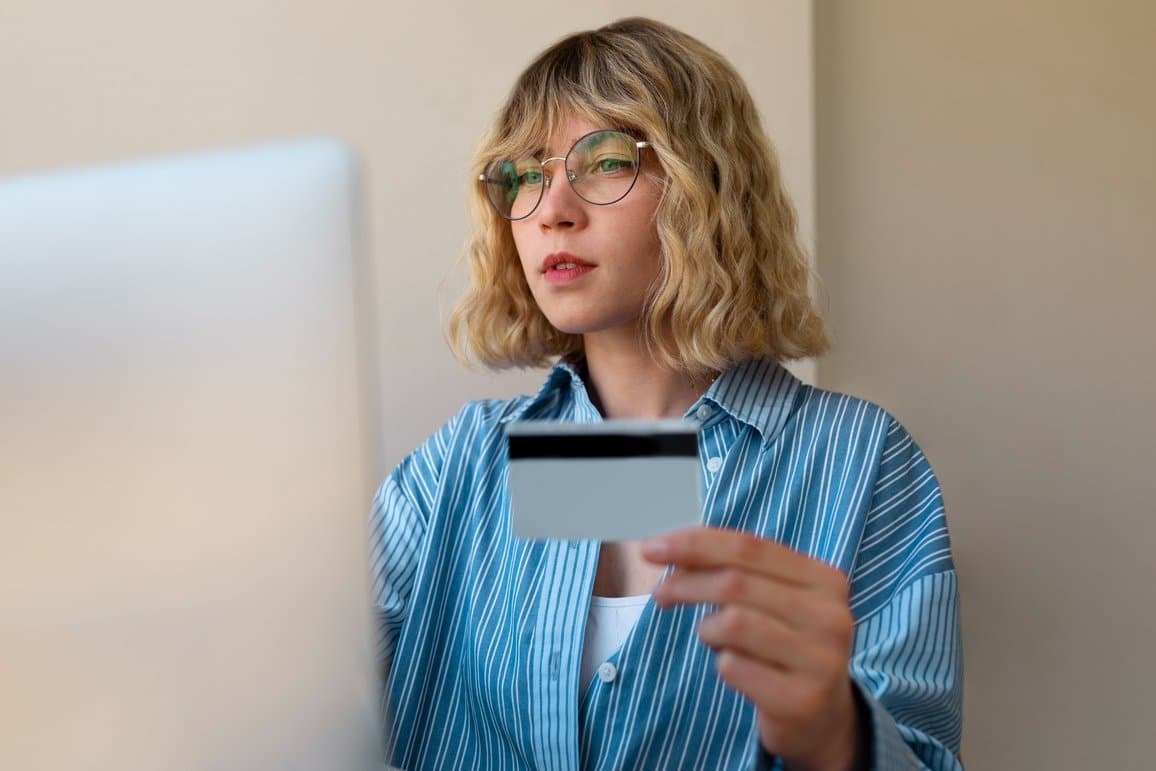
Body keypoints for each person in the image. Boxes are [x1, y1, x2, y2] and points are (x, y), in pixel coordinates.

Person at [371, 17, 963, 771]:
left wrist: (835, 735)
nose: (551, 208)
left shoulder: (862, 464)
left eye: (606, 161)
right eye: (524, 174)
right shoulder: (462, 467)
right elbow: (296, 697)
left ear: (705, 185)